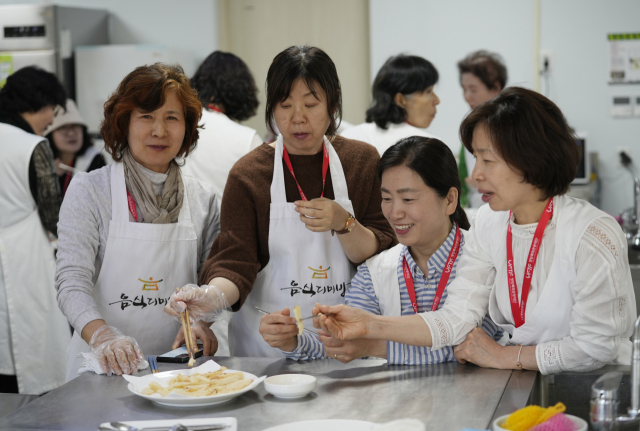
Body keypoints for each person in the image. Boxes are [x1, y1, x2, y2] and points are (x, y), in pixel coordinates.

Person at [313, 87, 636, 375]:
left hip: (595, 391)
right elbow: (456, 320)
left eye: (488, 160)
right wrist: (371, 324)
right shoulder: (490, 224)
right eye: (475, 159)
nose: (475, 175)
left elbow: (595, 348)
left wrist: (505, 356)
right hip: (525, 385)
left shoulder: (590, 233)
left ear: (531, 160)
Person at [164, 45, 397, 357]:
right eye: (285, 105)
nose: (298, 119)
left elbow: (381, 252)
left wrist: (345, 223)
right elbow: (236, 260)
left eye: (311, 104)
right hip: (270, 353)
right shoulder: (250, 173)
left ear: (333, 103)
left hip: (349, 346)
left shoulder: (361, 161)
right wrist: (211, 297)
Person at [260, 136, 504, 363]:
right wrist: (293, 341)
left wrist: (376, 347)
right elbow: (347, 344)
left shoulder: (484, 257)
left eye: (408, 199)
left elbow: (473, 348)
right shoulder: (375, 272)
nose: (395, 213)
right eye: (386, 198)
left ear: (450, 200)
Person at [56, 63, 220, 381]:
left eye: (171, 118)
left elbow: (211, 282)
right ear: (124, 122)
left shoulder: (204, 198)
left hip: (178, 369)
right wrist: (103, 337)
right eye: (146, 116)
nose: (159, 131)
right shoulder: (90, 190)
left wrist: (204, 321)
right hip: (100, 369)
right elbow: (71, 282)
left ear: (186, 127)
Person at [0, 66, 70, 394]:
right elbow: (53, 216)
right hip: (23, 262)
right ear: (38, 103)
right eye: (52, 111)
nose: (51, 121)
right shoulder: (32, 145)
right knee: (30, 362)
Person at [181, 51, 262, 205]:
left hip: (179, 225)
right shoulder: (248, 140)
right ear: (242, 90)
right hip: (227, 227)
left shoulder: (180, 126)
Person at [341, 54, 440, 155]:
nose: (437, 100)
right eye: (428, 91)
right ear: (401, 100)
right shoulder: (431, 148)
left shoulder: (348, 136)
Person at [456, 50, 508, 209]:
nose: (467, 96)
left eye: (473, 89)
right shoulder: (470, 126)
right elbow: (461, 182)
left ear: (495, 87)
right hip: (477, 211)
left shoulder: (510, 127)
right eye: (464, 89)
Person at [45, 99, 107, 197]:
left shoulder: (95, 159)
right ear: (50, 135)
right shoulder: (45, 162)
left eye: (75, 126)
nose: (71, 133)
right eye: (63, 127)